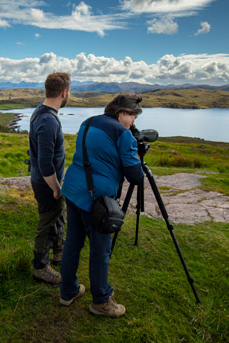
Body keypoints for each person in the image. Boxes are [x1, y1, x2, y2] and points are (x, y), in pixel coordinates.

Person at [59, 94, 144, 318]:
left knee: (73, 243)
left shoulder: (88, 122)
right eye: (133, 115)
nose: (134, 121)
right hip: (97, 200)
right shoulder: (122, 134)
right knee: (100, 251)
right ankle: (101, 301)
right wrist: (137, 154)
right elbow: (135, 175)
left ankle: (68, 291)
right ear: (121, 113)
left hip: (74, 189)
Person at [28, 72, 71, 285]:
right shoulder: (48, 120)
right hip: (46, 182)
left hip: (45, 179)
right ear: (64, 93)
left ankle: (58, 253)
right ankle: (41, 267)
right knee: (46, 222)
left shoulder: (41, 112)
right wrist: (55, 187)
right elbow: (45, 162)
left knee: (58, 214)